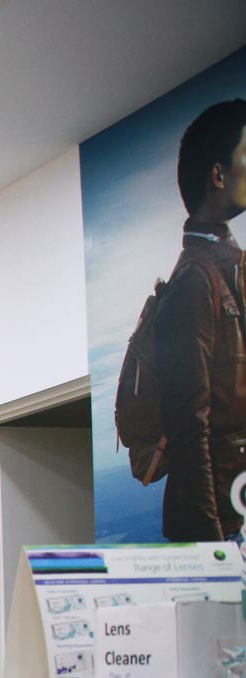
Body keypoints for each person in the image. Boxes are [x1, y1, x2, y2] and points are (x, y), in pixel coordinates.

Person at [156, 100, 246, 541]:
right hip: (226, 527)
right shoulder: (194, 280)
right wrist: (214, 551)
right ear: (219, 175)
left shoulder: (228, 266)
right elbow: (189, 426)